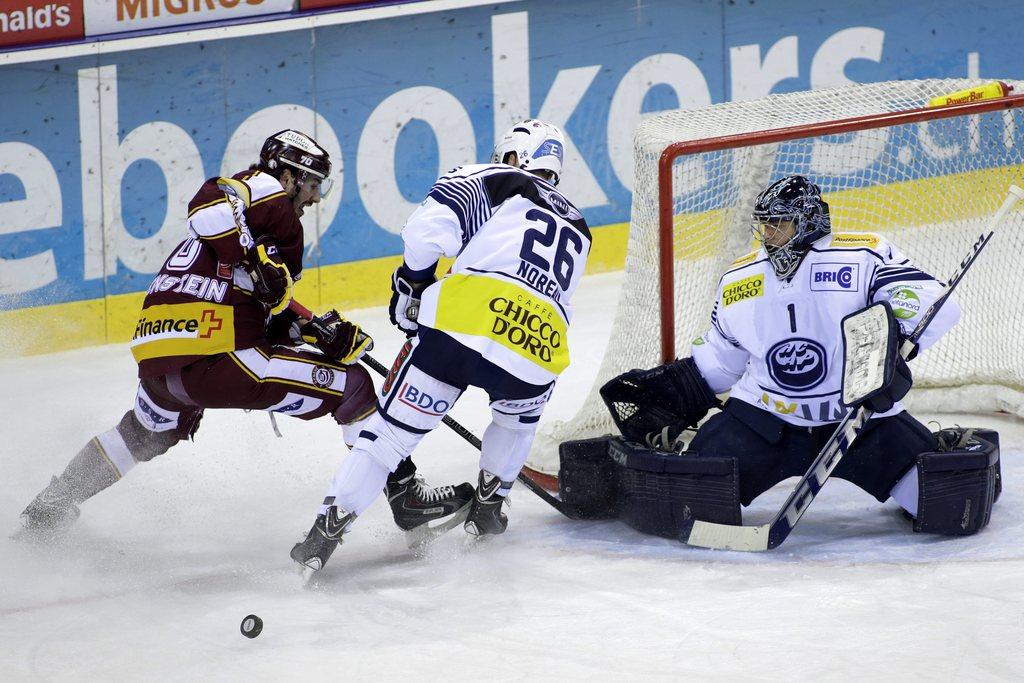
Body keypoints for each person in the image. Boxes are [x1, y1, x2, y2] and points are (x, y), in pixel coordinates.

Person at [21, 129, 471, 536]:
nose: (315, 197)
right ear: (289, 175)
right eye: (313, 183)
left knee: (140, 434)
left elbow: (263, 305)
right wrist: (259, 267)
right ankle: (406, 495)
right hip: (217, 354)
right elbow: (208, 201)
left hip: (161, 356)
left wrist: (315, 329)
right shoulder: (264, 191)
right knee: (353, 388)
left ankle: (52, 504)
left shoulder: (248, 231)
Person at [290, 119, 592, 572]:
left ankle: (323, 536)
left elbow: (424, 234)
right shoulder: (581, 226)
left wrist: (412, 287)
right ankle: (489, 509)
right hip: (537, 347)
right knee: (514, 425)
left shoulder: (494, 178)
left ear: (514, 157)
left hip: (461, 325)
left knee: (388, 436)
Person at [601, 175, 967, 530]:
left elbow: (934, 302)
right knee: (686, 505)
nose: (770, 234)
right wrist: (682, 387)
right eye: (766, 224)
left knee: (948, 504)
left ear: (808, 220)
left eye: (780, 223)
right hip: (763, 419)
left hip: (858, 420)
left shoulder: (863, 254)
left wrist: (896, 342)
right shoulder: (739, 278)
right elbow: (724, 358)